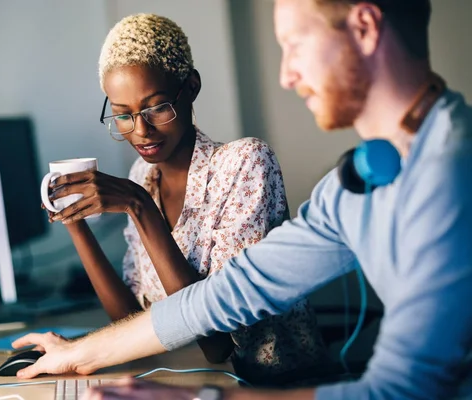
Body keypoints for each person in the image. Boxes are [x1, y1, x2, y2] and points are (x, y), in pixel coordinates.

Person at [14, 1, 472, 398]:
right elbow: (228, 294)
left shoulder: (450, 175)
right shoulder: (355, 183)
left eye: (294, 44)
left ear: (365, 28)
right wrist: (80, 353)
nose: (285, 74)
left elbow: (404, 392)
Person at [43, 13, 327, 384]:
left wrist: (139, 205)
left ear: (190, 87)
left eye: (157, 107)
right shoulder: (141, 176)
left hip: (274, 386)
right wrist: (74, 222)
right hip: (201, 379)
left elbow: (218, 343)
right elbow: (128, 321)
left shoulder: (244, 163)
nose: (141, 132)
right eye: (123, 116)